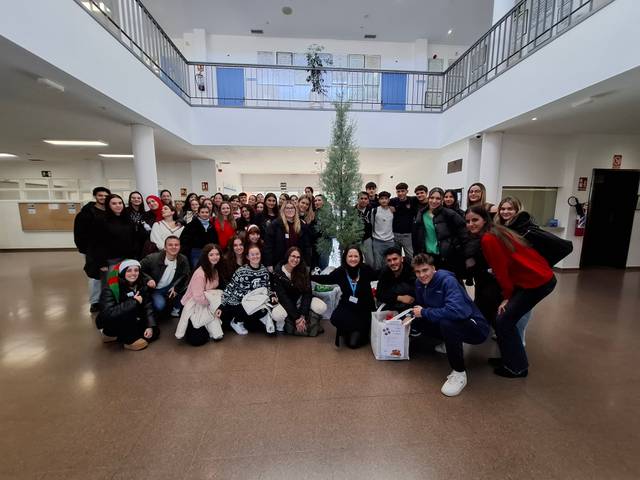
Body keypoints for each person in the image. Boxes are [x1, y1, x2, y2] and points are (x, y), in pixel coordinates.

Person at [466, 206, 557, 378]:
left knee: (504, 320)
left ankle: (517, 367)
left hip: (537, 282)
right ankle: (510, 359)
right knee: (503, 320)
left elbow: (501, 271)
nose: (470, 224)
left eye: (475, 220)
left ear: (485, 220)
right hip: (536, 278)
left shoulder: (488, 238)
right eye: (468, 221)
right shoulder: (497, 231)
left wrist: (507, 297)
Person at [411, 254, 489, 396]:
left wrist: (425, 312)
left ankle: (459, 373)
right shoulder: (419, 284)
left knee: (447, 323)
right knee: (417, 320)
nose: (421, 275)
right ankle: (450, 343)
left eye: (425, 270)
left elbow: (457, 311)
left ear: (433, 268)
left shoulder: (447, 280)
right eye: (417, 272)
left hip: (476, 328)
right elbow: (423, 306)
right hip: (451, 320)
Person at [312, 246, 376, 348]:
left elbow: (379, 275)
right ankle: (350, 329)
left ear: (360, 257)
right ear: (345, 257)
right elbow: (327, 279)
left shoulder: (365, 269)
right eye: (350, 256)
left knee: (352, 345)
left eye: (356, 256)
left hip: (364, 309)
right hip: (348, 305)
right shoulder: (341, 271)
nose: (353, 259)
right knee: (335, 318)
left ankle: (356, 330)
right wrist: (308, 277)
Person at [494, 196, 536, 345]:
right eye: (503, 209)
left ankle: (517, 358)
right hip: (510, 277)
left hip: (525, 280)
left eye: (510, 209)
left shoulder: (525, 228)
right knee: (508, 316)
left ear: (517, 210)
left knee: (519, 319)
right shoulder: (501, 227)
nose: (506, 212)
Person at [96, 259, 158, 351]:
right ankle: (120, 337)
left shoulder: (141, 284)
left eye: (136, 270)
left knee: (155, 332)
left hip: (132, 317)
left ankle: (120, 336)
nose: (133, 273)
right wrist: (134, 302)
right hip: (113, 319)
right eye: (129, 270)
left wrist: (150, 326)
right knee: (130, 317)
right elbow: (108, 313)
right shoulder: (110, 288)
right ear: (122, 272)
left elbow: (147, 306)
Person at [412, 187, 468, 279]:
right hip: (427, 255)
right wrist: (416, 254)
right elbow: (416, 235)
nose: (434, 201)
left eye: (438, 198)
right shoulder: (421, 214)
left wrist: (457, 248)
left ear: (442, 200)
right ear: (428, 198)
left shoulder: (449, 214)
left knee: (447, 281)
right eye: (432, 198)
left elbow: (463, 231)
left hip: (445, 256)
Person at [220, 245, 275, 335]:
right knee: (254, 310)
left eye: (257, 254)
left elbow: (267, 287)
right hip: (239, 303)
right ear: (247, 257)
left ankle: (260, 318)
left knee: (258, 322)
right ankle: (236, 321)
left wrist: (273, 298)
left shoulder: (264, 271)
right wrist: (222, 305)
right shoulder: (241, 271)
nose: (255, 256)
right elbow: (230, 287)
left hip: (255, 301)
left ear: (260, 255)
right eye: (252, 255)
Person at [177, 243, 226, 346]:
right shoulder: (200, 274)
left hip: (206, 303)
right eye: (211, 254)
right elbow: (198, 297)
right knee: (197, 340)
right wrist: (213, 304)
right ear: (206, 256)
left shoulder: (216, 270)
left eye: (217, 254)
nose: (215, 257)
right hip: (192, 305)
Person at [272, 247, 327, 336]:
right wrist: (296, 318)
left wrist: (302, 315)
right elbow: (283, 297)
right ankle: (293, 322)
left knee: (322, 307)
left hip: (300, 300)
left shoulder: (303, 270)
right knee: (278, 315)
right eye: (293, 256)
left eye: (298, 257)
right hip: (286, 303)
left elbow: (307, 293)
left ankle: (310, 320)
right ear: (287, 256)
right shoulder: (278, 272)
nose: (295, 259)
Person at [74, 186, 111, 312]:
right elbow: (78, 233)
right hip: (92, 249)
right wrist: (84, 249)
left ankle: (108, 299)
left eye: (106, 196)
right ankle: (95, 301)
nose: (103, 198)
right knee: (95, 276)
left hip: (109, 249)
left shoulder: (110, 211)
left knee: (109, 275)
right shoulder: (86, 213)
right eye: (100, 195)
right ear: (95, 196)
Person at [90, 194, 137, 284]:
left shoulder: (127, 219)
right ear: (108, 205)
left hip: (126, 258)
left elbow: (133, 238)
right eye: (114, 203)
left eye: (120, 203)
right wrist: (102, 262)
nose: (118, 205)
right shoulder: (101, 220)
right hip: (110, 260)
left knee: (124, 285)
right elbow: (97, 243)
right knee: (110, 286)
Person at [141, 236, 190, 317]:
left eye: (176, 245)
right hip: (154, 289)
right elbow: (138, 269)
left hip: (170, 286)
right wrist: (148, 279)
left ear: (180, 247)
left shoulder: (183, 259)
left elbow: (186, 275)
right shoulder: (152, 258)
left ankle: (175, 309)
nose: (174, 247)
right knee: (160, 305)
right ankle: (148, 312)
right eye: (170, 245)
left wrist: (176, 287)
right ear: (165, 247)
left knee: (189, 287)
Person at [264, 200, 312, 271]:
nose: (290, 210)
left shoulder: (302, 225)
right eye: (287, 208)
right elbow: (268, 246)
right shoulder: (274, 225)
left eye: (292, 208)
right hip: (279, 263)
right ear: (283, 210)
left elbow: (307, 246)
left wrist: (308, 263)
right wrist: (269, 264)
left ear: (295, 210)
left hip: (298, 263)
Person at [376, 246, 416, 312]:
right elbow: (379, 294)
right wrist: (399, 298)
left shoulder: (411, 270)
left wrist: (390, 292)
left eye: (395, 259)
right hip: (394, 302)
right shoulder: (385, 272)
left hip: (411, 305)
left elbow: (412, 290)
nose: (392, 263)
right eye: (389, 260)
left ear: (401, 259)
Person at [390, 182, 419, 261]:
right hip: (395, 235)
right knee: (396, 256)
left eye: (402, 191)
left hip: (408, 235)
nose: (400, 193)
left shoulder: (413, 200)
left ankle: (411, 272)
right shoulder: (393, 201)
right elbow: (382, 201)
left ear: (407, 191)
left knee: (410, 256)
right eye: (398, 191)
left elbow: (424, 200)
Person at [369, 191, 395, 271]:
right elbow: (372, 224)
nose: (384, 200)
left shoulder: (392, 210)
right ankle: (378, 281)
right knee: (378, 265)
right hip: (378, 241)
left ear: (389, 200)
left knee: (390, 264)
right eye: (382, 199)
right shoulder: (374, 211)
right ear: (379, 200)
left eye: (386, 199)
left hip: (390, 241)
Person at [124, 191, 150, 259]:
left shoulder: (145, 213)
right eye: (133, 198)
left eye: (138, 198)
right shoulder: (124, 211)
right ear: (130, 200)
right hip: (128, 243)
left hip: (142, 244)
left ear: (141, 200)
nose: (136, 199)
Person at [355, 191, 373, 265]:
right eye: (361, 198)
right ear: (357, 199)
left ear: (368, 200)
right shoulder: (352, 211)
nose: (363, 200)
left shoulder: (372, 210)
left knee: (370, 261)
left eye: (365, 199)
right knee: (356, 260)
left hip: (367, 238)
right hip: (355, 239)